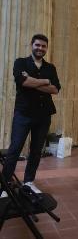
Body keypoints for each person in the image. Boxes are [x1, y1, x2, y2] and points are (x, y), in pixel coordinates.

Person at [1, 34, 61, 195]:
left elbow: (55, 89)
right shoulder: (20, 62)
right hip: (23, 114)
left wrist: (33, 82)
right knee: (15, 149)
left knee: (36, 151)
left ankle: (28, 181)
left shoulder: (50, 68)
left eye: (43, 46)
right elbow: (23, 82)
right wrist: (45, 81)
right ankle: (5, 185)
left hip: (43, 115)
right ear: (32, 45)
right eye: (38, 45)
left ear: (46, 48)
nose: (40, 48)